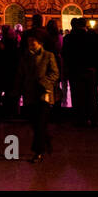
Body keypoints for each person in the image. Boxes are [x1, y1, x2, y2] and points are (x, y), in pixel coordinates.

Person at [14, 32, 59, 163]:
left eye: (33, 42)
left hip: (43, 94)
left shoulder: (48, 56)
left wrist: (44, 82)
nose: (30, 44)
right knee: (35, 124)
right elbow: (20, 74)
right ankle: (47, 140)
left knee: (40, 123)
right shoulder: (25, 57)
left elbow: (55, 73)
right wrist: (17, 90)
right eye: (29, 42)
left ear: (40, 43)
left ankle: (38, 152)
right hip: (29, 94)